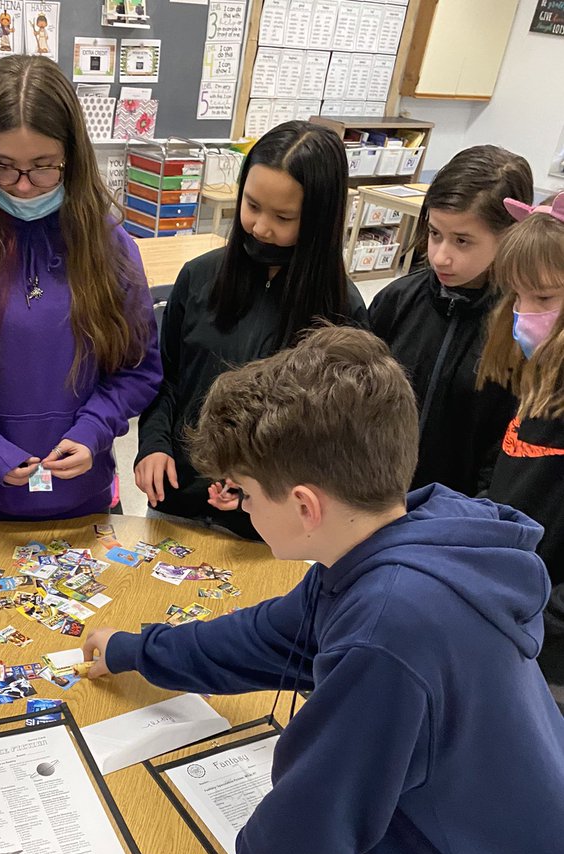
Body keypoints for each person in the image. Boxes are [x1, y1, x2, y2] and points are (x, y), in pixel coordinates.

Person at [83, 325, 564, 854]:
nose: (231, 507)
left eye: (243, 495)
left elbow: (319, 800)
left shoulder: (391, 623)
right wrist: (134, 649)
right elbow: (270, 638)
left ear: (303, 504)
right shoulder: (402, 528)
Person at [0, 55, 161, 523]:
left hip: (85, 496)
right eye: (3, 168)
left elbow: (138, 370)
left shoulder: (109, 247)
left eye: (44, 167)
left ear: (73, 159)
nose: (24, 187)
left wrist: (93, 429)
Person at [134, 120, 367, 539]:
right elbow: (163, 378)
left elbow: (333, 438)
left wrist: (254, 488)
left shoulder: (341, 311)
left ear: (317, 221)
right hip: (178, 499)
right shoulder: (199, 277)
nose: (260, 228)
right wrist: (153, 446)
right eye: (252, 205)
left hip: (269, 524)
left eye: (283, 217)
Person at [369, 145, 533, 496]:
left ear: (508, 237)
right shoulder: (397, 301)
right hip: (376, 500)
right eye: (435, 234)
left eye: (462, 241)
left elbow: (508, 453)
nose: (441, 256)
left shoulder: (525, 330)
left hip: (460, 519)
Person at [479, 192, 564, 710]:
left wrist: (534, 613)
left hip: (548, 653)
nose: (524, 315)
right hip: (510, 618)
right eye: (516, 297)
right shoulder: (536, 382)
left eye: (545, 298)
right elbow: (504, 471)